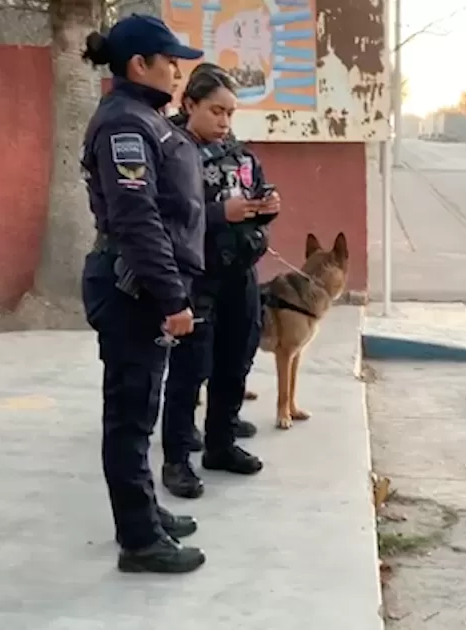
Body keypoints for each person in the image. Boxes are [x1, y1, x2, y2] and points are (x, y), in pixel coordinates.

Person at [78, 14, 211, 574]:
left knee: (142, 409)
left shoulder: (143, 117)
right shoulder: (125, 127)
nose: (179, 71)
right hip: (136, 288)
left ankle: (145, 512)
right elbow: (138, 221)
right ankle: (139, 539)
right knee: (130, 417)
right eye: (170, 60)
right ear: (139, 65)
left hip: (146, 287)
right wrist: (171, 299)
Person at [160, 64, 275, 498]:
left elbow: (256, 188)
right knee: (190, 369)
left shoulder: (238, 153)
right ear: (190, 104)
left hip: (239, 271)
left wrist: (267, 204)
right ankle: (177, 461)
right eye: (215, 111)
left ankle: (221, 443)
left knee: (235, 359)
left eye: (230, 113)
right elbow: (165, 215)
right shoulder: (173, 152)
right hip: (196, 275)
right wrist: (217, 215)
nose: (224, 122)